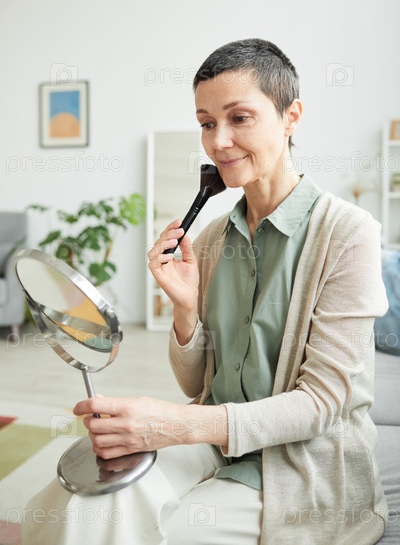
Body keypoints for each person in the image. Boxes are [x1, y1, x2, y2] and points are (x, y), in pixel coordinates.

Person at [21, 38, 389, 545]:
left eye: (239, 118)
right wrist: (185, 310)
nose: (219, 142)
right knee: (81, 504)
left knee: (157, 534)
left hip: (300, 464)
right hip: (216, 442)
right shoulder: (214, 239)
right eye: (206, 123)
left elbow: (321, 404)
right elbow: (197, 385)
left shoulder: (348, 234)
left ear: (291, 117)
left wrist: (172, 424)